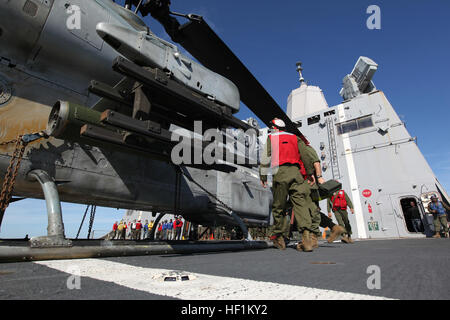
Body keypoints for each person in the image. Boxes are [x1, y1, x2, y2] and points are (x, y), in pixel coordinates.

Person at [259, 118, 319, 252]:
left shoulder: (272, 137)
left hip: (280, 173)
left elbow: (265, 158)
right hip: (297, 174)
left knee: (278, 206)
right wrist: (310, 173)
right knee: (300, 204)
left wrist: (262, 176)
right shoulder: (295, 138)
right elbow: (305, 156)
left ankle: (279, 239)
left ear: (275, 128)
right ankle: (306, 238)